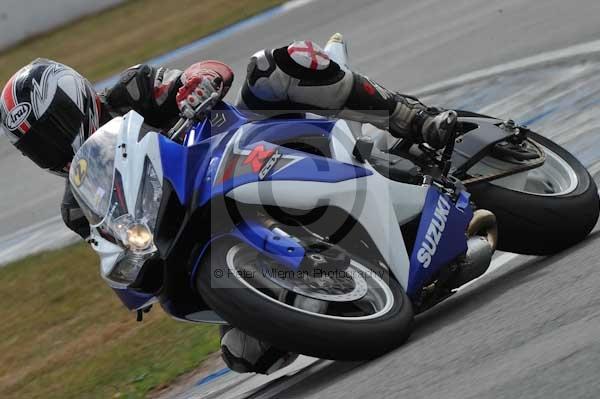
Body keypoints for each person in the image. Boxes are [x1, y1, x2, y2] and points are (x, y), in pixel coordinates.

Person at [0, 39, 454, 374]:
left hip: (244, 145)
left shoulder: (132, 91)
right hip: (197, 230)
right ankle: (351, 285)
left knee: (272, 67)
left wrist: (197, 85)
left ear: (75, 95)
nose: (53, 146)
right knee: (243, 351)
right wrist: (131, 269)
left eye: (53, 127)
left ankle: (409, 117)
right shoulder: (78, 207)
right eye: (37, 145)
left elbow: (208, 70)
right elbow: (119, 246)